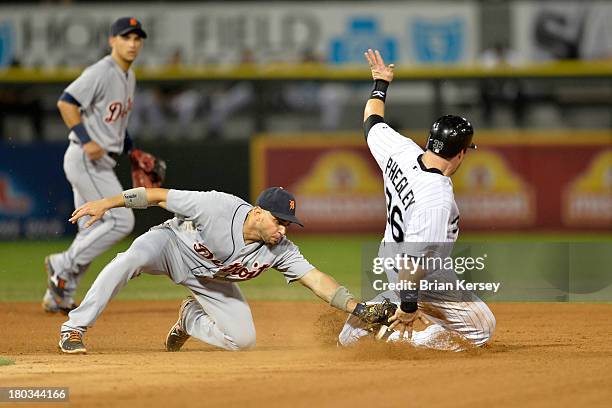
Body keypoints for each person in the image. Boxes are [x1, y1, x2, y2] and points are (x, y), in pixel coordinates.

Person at [57, 186, 379, 354]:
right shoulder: (216, 207)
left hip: (211, 279)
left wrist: (358, 307)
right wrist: (107, 204)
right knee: (128, 260)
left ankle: (190, 318)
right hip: (172, 246)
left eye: (288, 223)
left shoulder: (279, 249)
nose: (284, 229)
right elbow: (156, 196)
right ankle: (74, 328)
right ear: (257, 212)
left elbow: (316, 279)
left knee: (244, 341)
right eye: (279, 221)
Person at [338, 49, 496, 351]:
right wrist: (409, 309)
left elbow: (371, 121)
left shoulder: (401, 150)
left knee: (356, 333)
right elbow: (413, 261)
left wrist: (380, 84)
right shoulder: (436, 196)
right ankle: (402, 334)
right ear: (461, 153)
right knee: (482, 329)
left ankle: (369, 321)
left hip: (391, 260)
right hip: (422, 273)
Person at [42, 17, 148, 314]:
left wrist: (132, 150)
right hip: (86, 158)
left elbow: (115, 123)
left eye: (137, 38)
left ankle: (59, 296)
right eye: (126, 37)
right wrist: (87, 139)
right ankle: (62, 263)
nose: (132, 43)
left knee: (91, 227)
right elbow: (66, 102)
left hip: (101, 160)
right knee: (120, 220)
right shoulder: (102, 71)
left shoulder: (129, 76)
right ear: (112, 41)